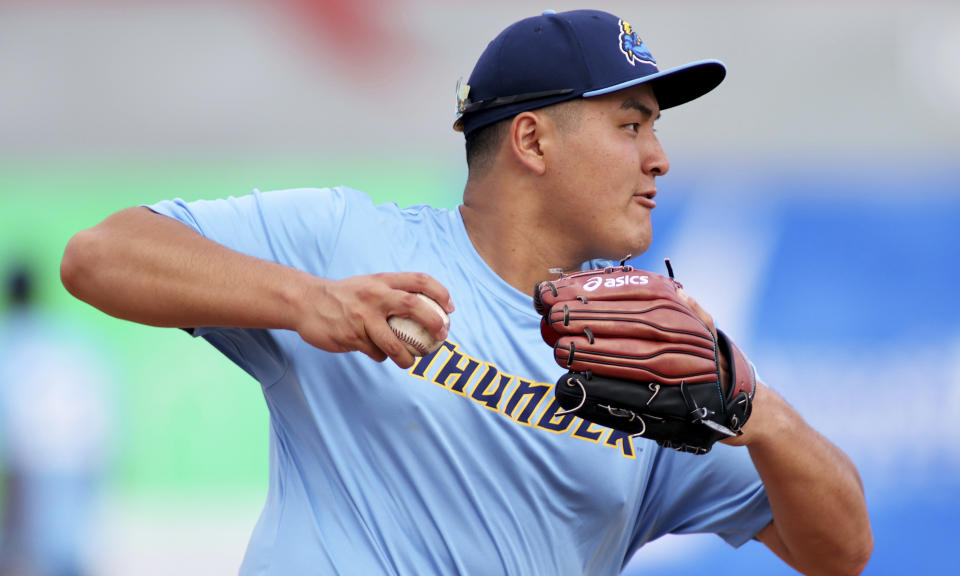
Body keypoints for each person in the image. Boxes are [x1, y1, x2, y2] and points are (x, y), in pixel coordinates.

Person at [60, 9, 872, 576]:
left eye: (655, 128)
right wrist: (307, 302)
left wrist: (753, 406)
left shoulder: (657, 362)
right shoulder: (354, 243)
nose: (658, 157)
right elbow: (99, 257)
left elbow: (839, 554)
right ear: (531, 140)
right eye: (631, 124)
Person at [1, 264, 114, 576]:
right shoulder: (60, 333)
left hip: (36, 454)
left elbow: (12, 418)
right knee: (68, 543)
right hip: (83, 448)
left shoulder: (10, 337)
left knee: (37, 548)